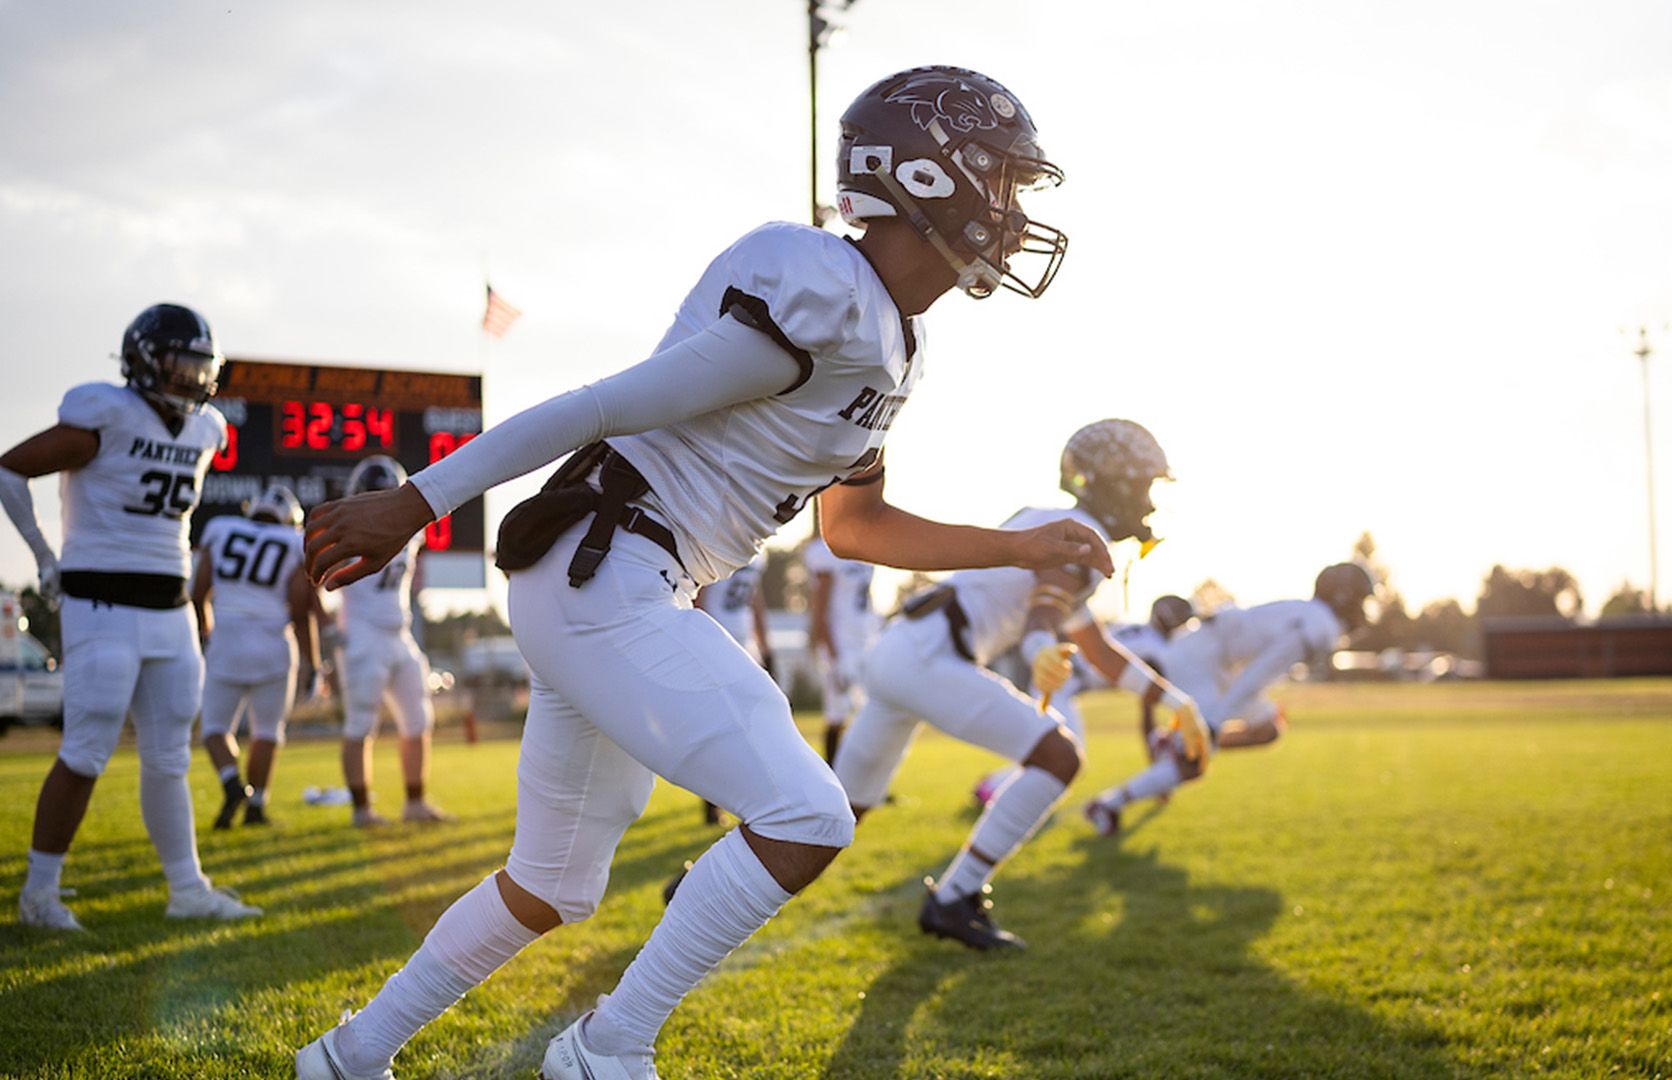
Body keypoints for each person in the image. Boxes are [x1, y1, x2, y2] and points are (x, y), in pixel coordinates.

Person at [295, 65, 1100, 1080]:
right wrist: (417, 502)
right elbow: (601, 406)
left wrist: (1018, 547)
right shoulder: (823, 291)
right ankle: (607, 1050)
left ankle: (346, 1058)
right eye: (1002, 179)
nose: (1015, 208)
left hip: (615, 583)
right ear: (929, 177)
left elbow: (855, 526)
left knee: (550, 888)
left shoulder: (898, 338)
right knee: (808, 815)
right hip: (609, 568)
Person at [833, 419, 1201, 951]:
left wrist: (1172, 700)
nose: (1148, 502)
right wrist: (1037, 650)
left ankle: (723, 873)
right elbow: (1042, 617)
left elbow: (1094, 646)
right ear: (1113, 482)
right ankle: (954, 898)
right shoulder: (1078, 534)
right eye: (1143, 483)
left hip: (906, 649)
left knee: (837, 813)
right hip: (932, 655)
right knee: (1059, 757)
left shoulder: (1057, 520)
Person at [1, 303, 261, 930]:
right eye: (183, 363)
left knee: (170, 755)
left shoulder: (207, 430)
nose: (195, 378)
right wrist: (43, 556)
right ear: (145, 359)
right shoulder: (105, 412)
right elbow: (10, 469)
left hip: (170, 610)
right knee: (87, 748)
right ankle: (39, 893)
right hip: (102, 604)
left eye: (203, 366)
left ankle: (187, 888)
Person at [1083, 564, 1377, 836]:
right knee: (1195, 758)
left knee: (1267, 729)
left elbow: (1256, 670)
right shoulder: (1320, 624)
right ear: (1343, 597)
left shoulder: (1312, 615)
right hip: (1201, 658)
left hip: (1218, 662)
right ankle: (1109, 804)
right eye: (1361, 600)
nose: (1363, 610)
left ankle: (1170, 745)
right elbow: (1261, 672)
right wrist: (1213, 721)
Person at [969, 592, 1195, 807]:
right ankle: (992, 787)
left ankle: (993, 786)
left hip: (1062, 679)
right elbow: (1147, 715)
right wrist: (1157, 773)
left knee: (1057, 752)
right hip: (1061, 683)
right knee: (1068, 755)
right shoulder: (1155, 650)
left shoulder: (1132, 629)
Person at [330, 455, 450, 828]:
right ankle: (362, 810)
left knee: (418, 720)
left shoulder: (411, 531)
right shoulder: (346, 528)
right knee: (360, 724)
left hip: (399, 632)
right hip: (362, 634)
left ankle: (414, 802)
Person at [191, 482, 319, 828]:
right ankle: (256, 805)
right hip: (272, 644)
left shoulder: (220, 529)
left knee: (215, 730)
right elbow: (300, 608)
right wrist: (314, 664)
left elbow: (198, 590)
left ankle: (232, 783)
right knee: (267, 731)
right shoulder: (295, 542)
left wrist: (206, 632)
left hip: (227, 639)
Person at [691, 553, 772, 824]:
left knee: (750, 727)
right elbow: (698, 597)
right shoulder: (718, 543)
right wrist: (699, 643)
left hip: (745, 644)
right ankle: (712, 804)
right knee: (719, 727)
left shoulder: (758, 550)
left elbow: (755, 599)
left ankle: (745, 799)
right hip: (716, 640)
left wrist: (764, 644)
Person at [806, 532, 878, 763]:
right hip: (841, 644)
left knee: (869, 713)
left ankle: (862, 779)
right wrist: (832, 655)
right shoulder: (826, 551)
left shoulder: (865, 546)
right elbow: (820, 607)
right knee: (838, 714)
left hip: (865, 640)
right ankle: (834, 777)